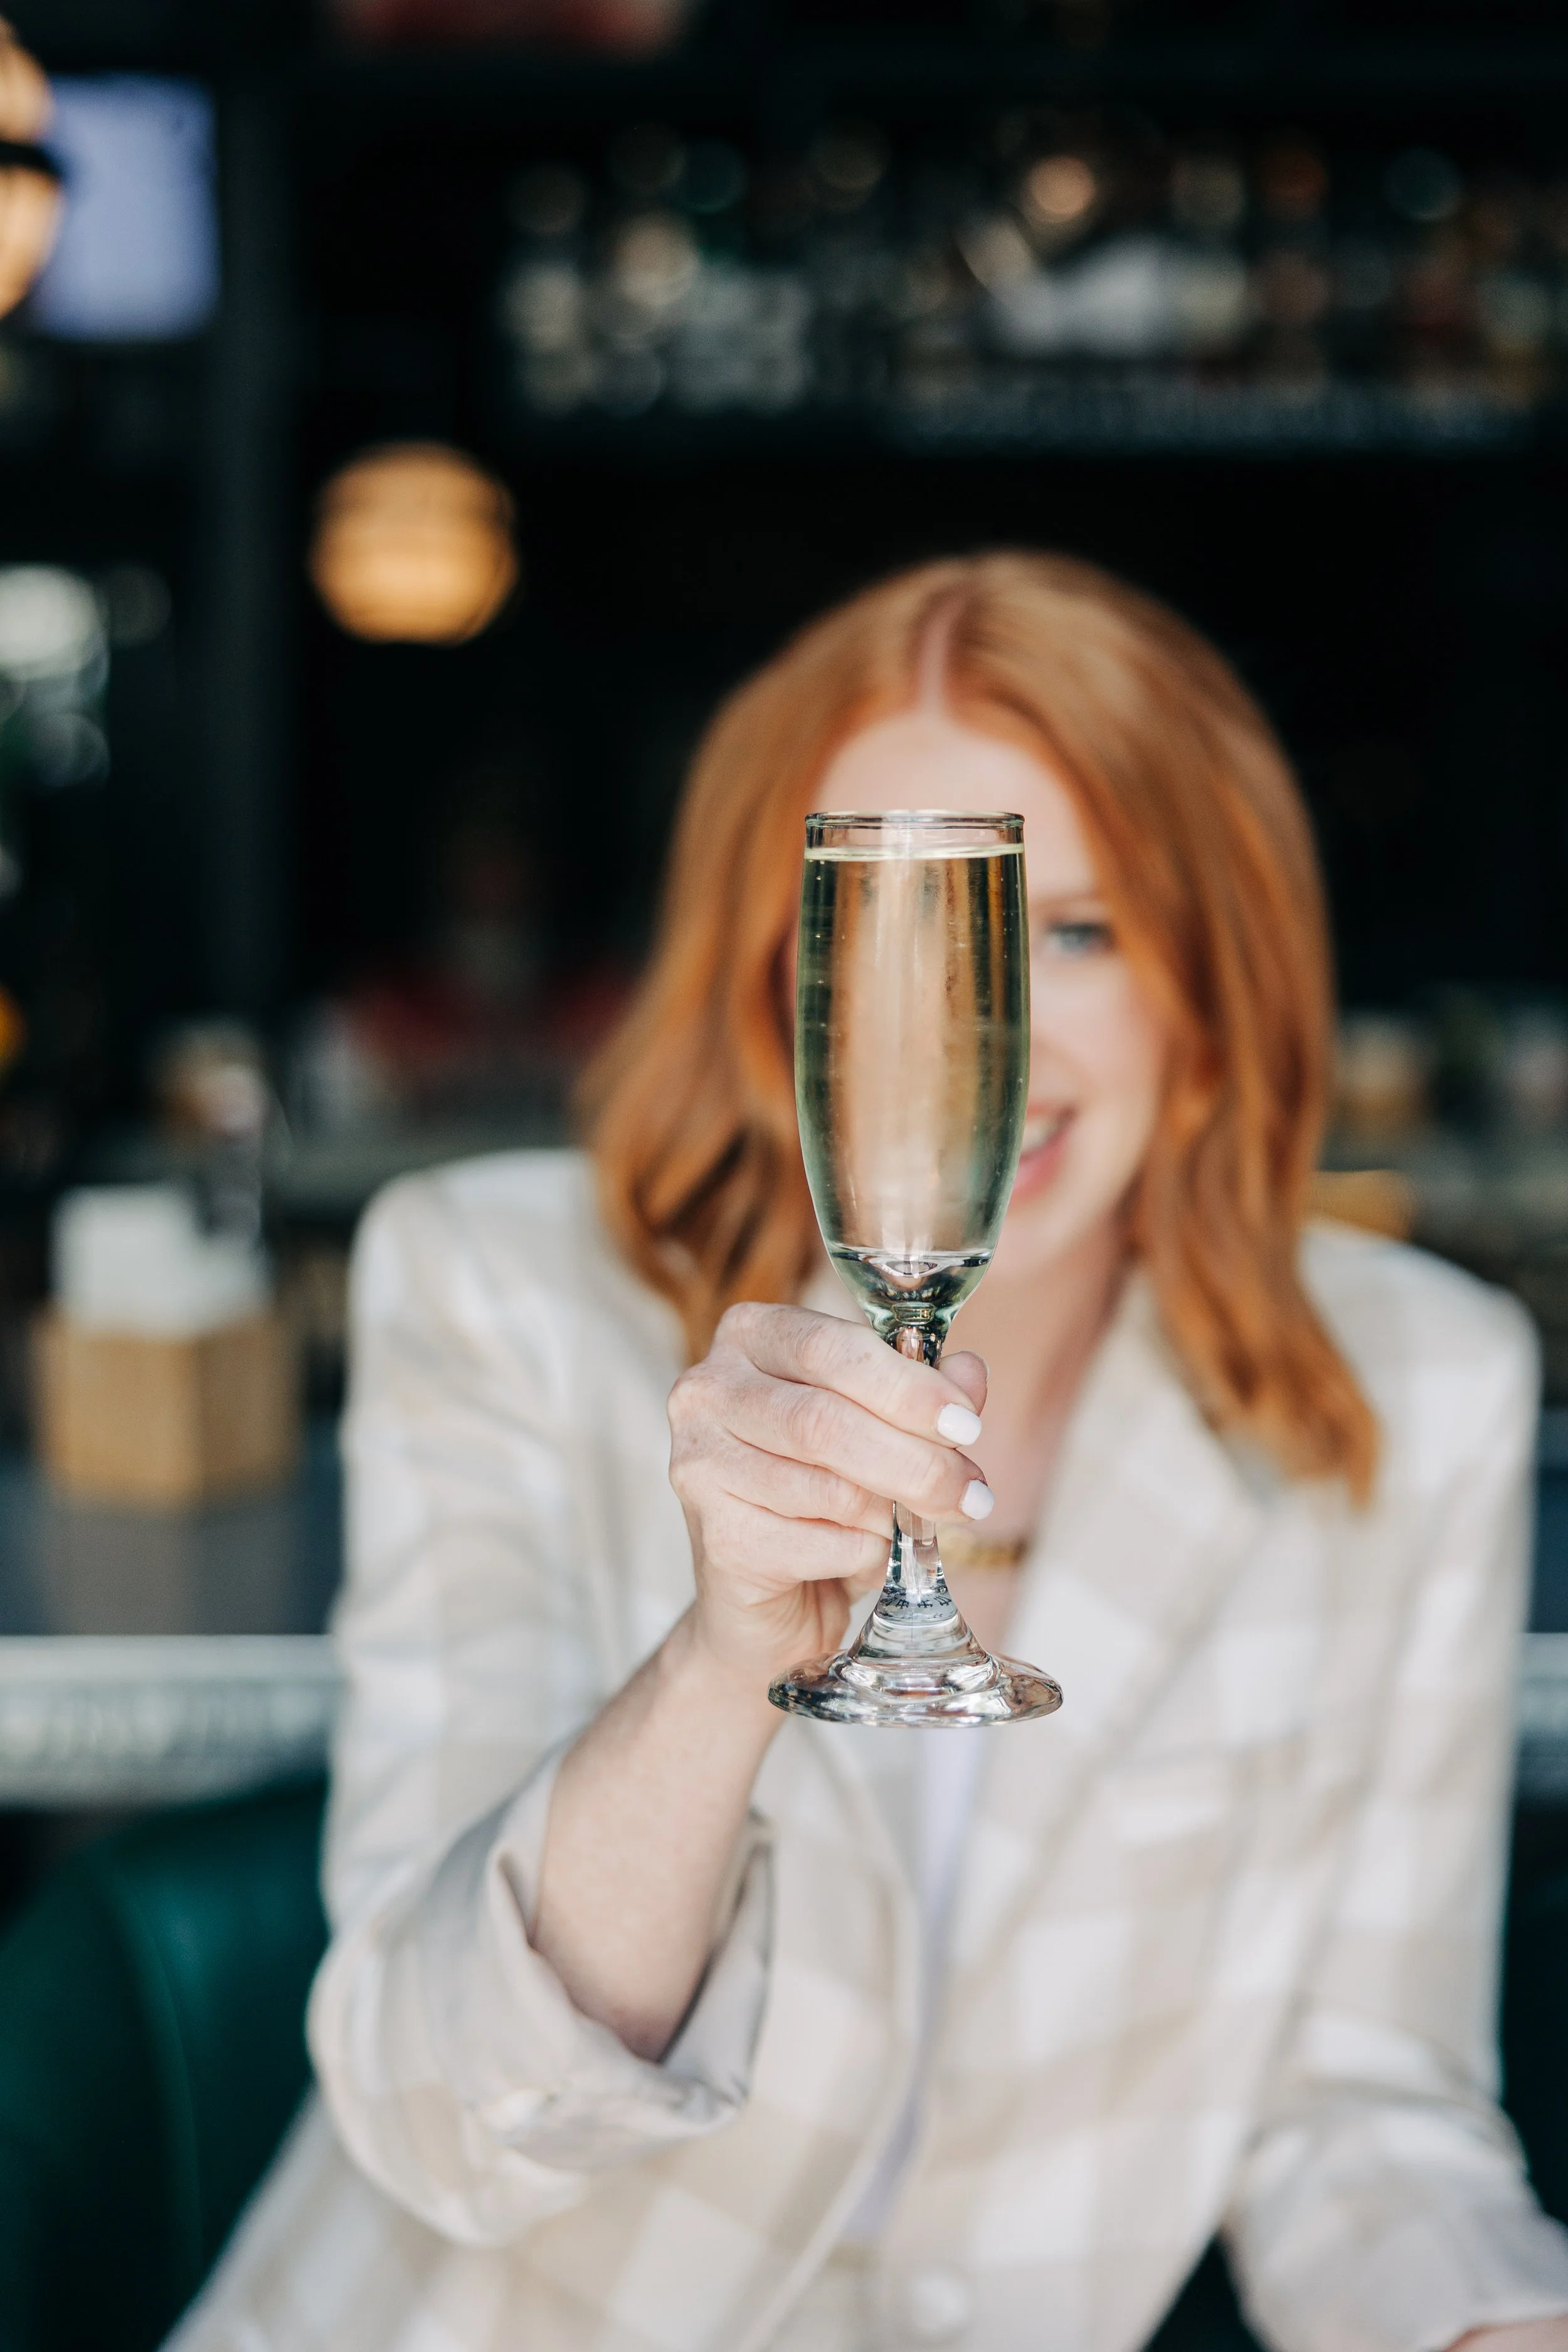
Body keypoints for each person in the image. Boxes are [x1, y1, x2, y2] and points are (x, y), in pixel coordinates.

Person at [173, 554, 1568, 2352]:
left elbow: (1363, 2117)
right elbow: (445, 2111)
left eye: (1071, 930)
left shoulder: (1419, 1386)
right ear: (770, 976)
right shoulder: (502, 1290)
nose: (970, 1027)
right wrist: (719, 1662)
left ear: (1213, 974)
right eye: (887, 923)